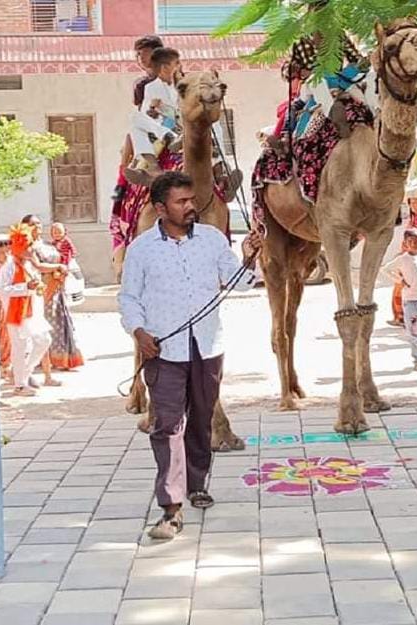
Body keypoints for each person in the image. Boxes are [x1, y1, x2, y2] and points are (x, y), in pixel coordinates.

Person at [119, 172, 262, 540]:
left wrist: (249, 257)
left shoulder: (213, 241)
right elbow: (129, 298)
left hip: (208, 346)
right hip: (163, 350)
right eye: (181, 202)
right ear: (160, 208)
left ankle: (196, 483)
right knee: (167, 426)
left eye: (191, 200)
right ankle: (171, 507)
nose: (190, 207)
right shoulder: (141, 249)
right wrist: (139, 332)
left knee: (200, 421)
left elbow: (240, 282)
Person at [22, 215, 82, 373]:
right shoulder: (28, 247)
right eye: (32, 224)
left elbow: (65, 257)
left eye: (39, 223)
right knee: (45, 326)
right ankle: (44, 360)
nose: (37, 226)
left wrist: (62, 270)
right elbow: (38, 266)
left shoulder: (49, 244)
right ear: (25, 227)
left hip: (57, 287)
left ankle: (63, 359)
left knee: (60, 322)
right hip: (42, 290)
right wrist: (58, 267)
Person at [0, 224, 52, 397]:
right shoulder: (9, 266)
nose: (31, 250)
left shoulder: (28, 265)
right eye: (28, 247)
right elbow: (1, 290)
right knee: (20, 348)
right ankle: (20, 385)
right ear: (20, 249)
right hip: (15, 313)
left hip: (31, 312)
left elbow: (32, 284)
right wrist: (24, 287)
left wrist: (36, 287)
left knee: (44, 340)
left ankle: (23, 375)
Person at [126, 47, 182, 186]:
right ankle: (154, 166)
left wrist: (165, 109)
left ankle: (222, 173)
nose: (180, 66)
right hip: (162, 127)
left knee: (215, 123)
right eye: (176, 63)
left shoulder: (184, 86)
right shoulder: (151, 87)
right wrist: (152, 110)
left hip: (183, 126)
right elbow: (146, 115)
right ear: (164, 68)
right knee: (135, 118)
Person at [382, 229, 417, 372]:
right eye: (410, 241)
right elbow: (385, 269)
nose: (414, 244)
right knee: (414, 330)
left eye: (416, 241)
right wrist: (400, 281)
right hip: (410, 300)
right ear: (405, 243)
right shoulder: (403, 259)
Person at [0, 234, 12, 382]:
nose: (5, 255)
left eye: (8, 252)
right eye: (2, 252)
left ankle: (7, 366)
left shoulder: (12, 268)